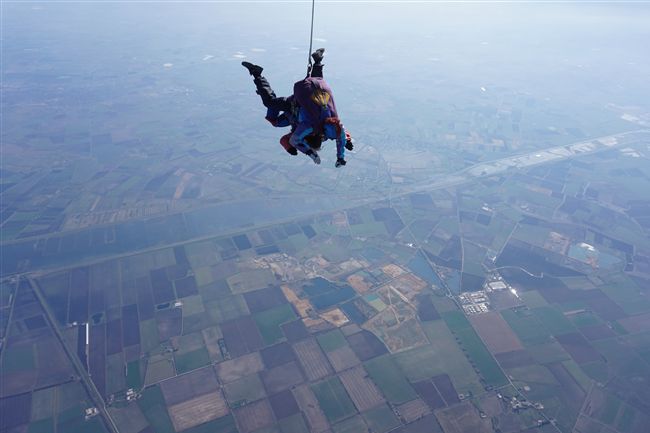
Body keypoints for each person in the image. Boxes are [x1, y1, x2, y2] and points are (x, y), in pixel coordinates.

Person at [242, 49, 353, 166]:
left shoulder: (328, 128)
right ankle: (257, 74)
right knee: (270, 104)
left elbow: (341, 133)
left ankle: (317, 61)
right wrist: (310, 153)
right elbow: (292, 140)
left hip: (315, 96)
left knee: (316, 88)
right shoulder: (308, 128)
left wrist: (342, 152)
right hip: (294, 104)